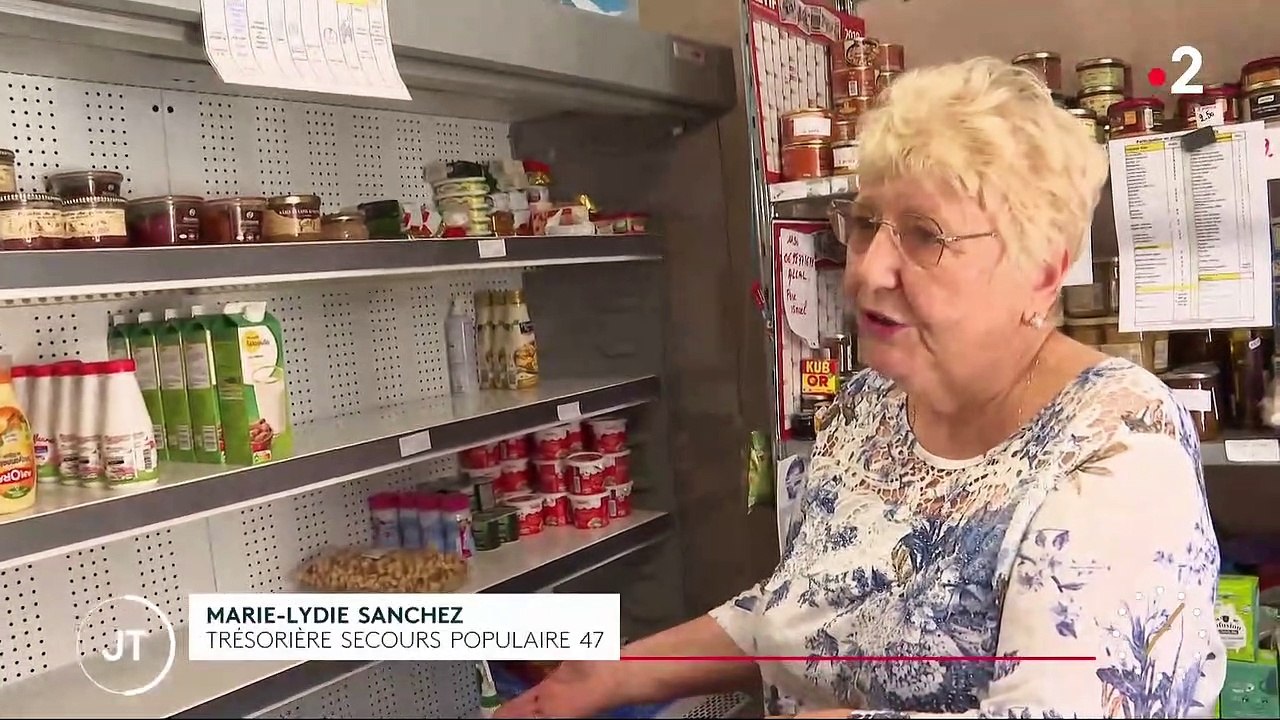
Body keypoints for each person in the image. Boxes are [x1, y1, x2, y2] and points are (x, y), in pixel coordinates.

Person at [497, 56, 1225, 719]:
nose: (869, 270)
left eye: (924, 235)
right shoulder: (871, 405)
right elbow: (804, 614)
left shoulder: (1118, 448)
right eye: (868, 222)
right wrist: (616, 675)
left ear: (1040, 271)